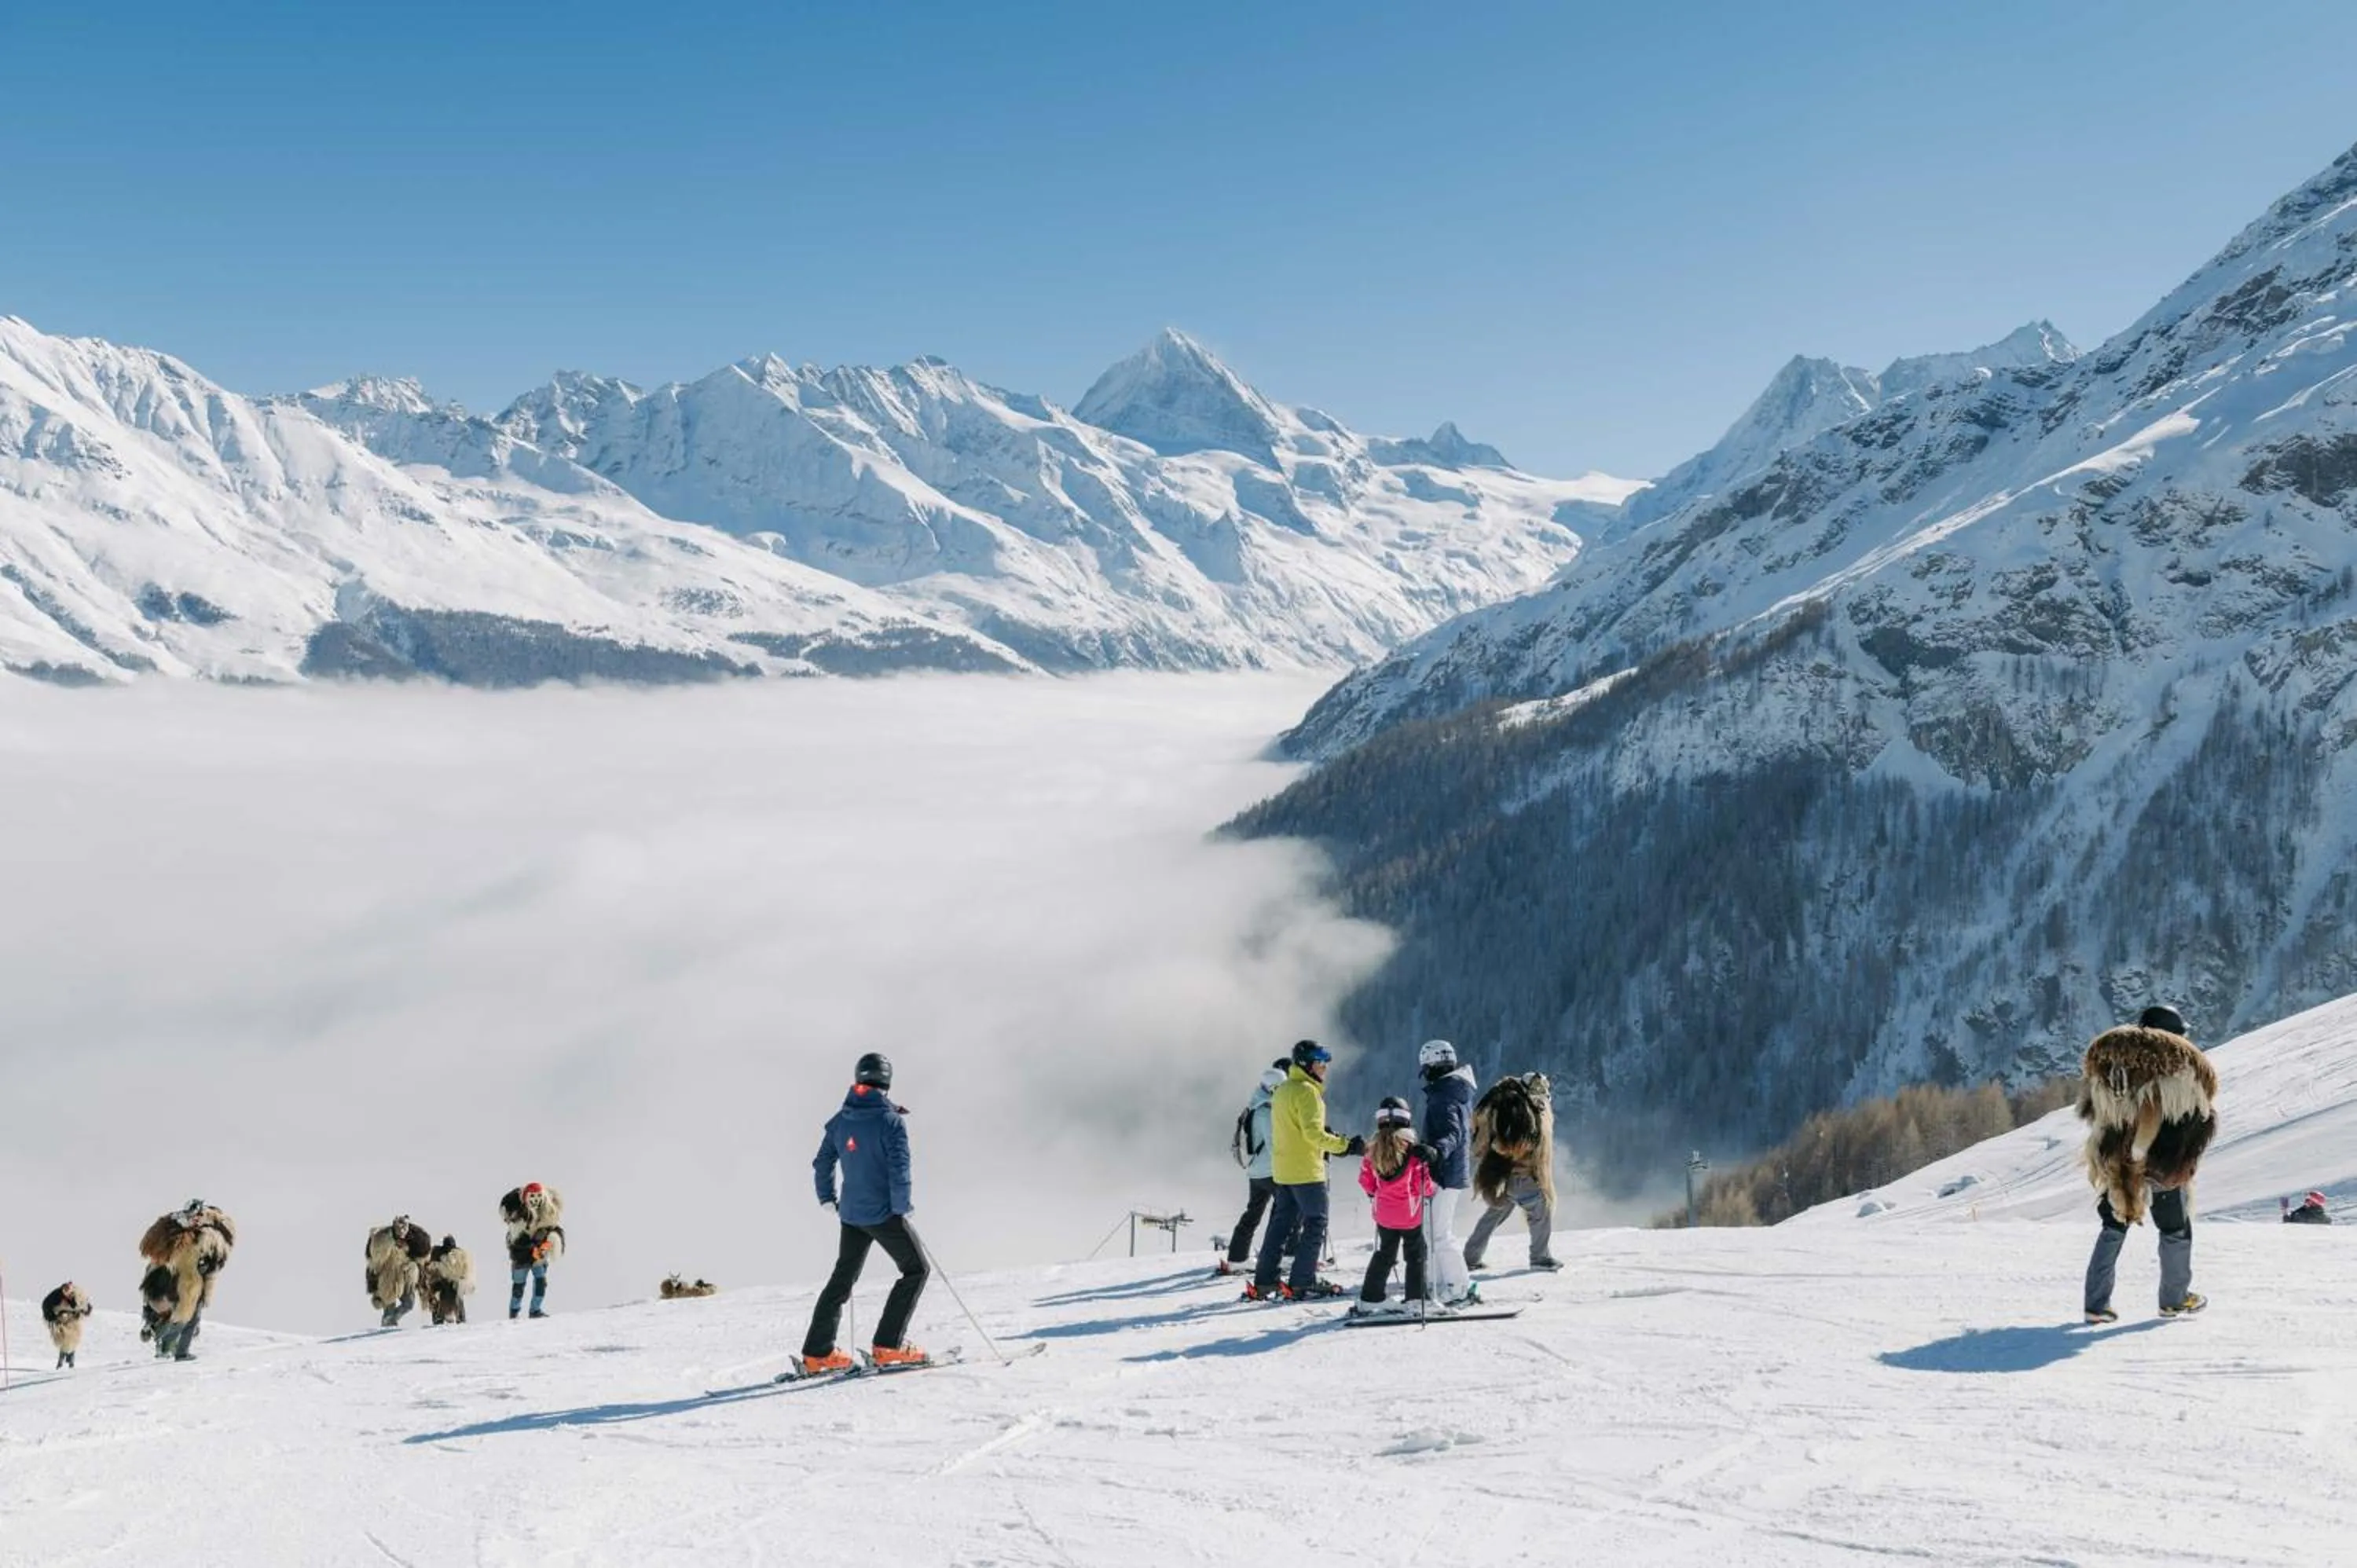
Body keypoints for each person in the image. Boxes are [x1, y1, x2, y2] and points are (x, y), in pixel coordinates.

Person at [2078, 1005, 2216, 1323]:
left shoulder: (2111, 1065)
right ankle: (2174, 1299)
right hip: (2161, 1162)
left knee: (2113, 1227)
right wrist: (2147, 1150)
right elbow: (2160, 1113)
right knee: (2175, 1229)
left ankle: (2095, 1305)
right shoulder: (2175, 1067)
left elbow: (2092, 1112)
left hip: (2117, 1162)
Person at [800, 1051, 932, 1375]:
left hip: (851, 1215)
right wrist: (902, 1206)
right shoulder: (890, 1121)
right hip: (883, 1213)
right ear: (886, 1082)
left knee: (842, 1277)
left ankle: (818, 1354)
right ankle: (889, 1346)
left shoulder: (841, 1119)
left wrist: (826, 1198)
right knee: (916, 1270)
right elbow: (899, 1169)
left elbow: (822, 1162)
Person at [1247, 1040, 1362, 1302]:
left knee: (1281, 1224)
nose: (1325, 1069)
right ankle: (1302, 1281)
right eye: (1320, 1063)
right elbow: (1313, 1134)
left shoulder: (1283, 1090)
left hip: (1284, 1170)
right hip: (1306, 1172)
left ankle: (1265, 1280)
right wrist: (1346, 1146)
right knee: (1316, 1223)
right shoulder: (1308, 1092)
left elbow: (1291, 1129)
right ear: (1306, 1065)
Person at [1464, 1072, 1562, 1273]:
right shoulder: (1520, 1110)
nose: (1540, 1094)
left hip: (1503, 1173)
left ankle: (1470, 1257)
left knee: (1495, 1213)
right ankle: (1540, 1258)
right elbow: (1515, 1143)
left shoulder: (1507, 1105)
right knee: (1540, 1209)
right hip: (1522, 1173)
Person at [1352, 1097, 1436, 1316]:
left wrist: (1375, 1193)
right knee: (1416, 1253)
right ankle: (1416, 1298)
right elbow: (1424, 1187)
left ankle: (1371, 1297)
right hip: (1409, 1215)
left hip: (1384, 1215)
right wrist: (1429, 1191)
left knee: (1385, 1253)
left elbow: (1365, 1181)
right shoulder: (1414, 1153)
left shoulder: (1372, 1151)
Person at [1417, 1039, 1479, 1306]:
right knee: (1434, 1231)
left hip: (1444, 1172)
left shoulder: (1444, 1096)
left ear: (1433, 1066)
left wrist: (1435, 1152)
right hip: (1449, 1171)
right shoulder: (1453, 1091)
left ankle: (1458, 1287)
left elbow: (1452, 1133)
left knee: (1439, 1233)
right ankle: (1445, 1284)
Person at [137, 1200, 235, 1362]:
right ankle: (177, 1350)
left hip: (161, 1273)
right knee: (190, 1316)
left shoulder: (173, 1228)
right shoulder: (209, 1235)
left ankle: (153, 1325)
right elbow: (212, 1265)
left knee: (164, 1307)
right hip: (188, 1280)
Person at [1219, 1061, 1292, 1276]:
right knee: (1285, 1213)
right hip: (1271, 1170)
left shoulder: (1253, 1106)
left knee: (1253, 1213)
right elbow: (1275, 1145)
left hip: (1255, 1171)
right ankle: (1280, 1257)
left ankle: (1237, 1258)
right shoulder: (1266, 1112)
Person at [499, 1182, 566, 1320]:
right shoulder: (518, 1219)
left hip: (539, 1257)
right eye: (532, 1197)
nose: (535, 1200)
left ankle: (535, 1310)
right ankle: (514, 1312)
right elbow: (516, 1242)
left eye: (538, 1197)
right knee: (519, 1286)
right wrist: (531, 1247)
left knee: (540, 1282)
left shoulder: (547, 1215)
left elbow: (553, 1233)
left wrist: (545, 1246)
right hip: (521, 1257)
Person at [365, 1215, 435, 1328]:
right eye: (399, 1229)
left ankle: (391, 1319)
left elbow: (422, 1253)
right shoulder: (383, 1240)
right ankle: (387, 1328)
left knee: (409, 1304)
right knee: (389, 1306)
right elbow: (375, 1260)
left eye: (404, 1228)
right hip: (387, 1279)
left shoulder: (414, 1240)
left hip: (406, 1277)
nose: (402, 1231)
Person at [420, 1236, 475, 1324]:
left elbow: (465, 1272)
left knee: (457, 1293)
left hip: (453, 1282)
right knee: (436, 1294)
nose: (450, 1250)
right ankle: (438, 1318)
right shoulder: (436, 1254)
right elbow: (428, 1269)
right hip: (438, 1282)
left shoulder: (460, 1255)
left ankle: (460, 1318)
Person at [40, 1282, 93, 1369]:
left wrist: (85, 1310)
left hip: (73, 1319)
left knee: (73, 1338)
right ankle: (63, 1359)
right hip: (59, 1318)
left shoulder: (78, 1294)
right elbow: (46, 1306)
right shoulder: (55, 1297)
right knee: (63, 1338)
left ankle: (70, 1358)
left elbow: (85, 1305)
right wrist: (53, 1317)